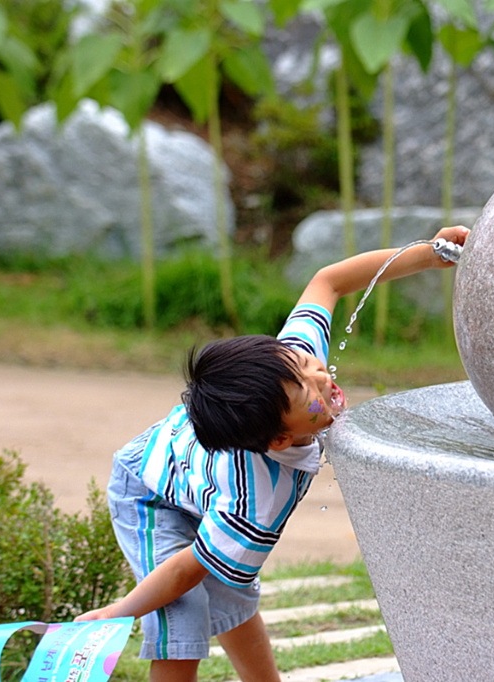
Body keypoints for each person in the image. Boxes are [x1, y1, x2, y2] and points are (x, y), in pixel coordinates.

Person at [76, 225, 470, 682]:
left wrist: (428, 255)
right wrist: (120, 611)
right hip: (150, 493)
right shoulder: (255, 501)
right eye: (308, 390)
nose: (321, 378)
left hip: (198, 476)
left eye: (309, 367)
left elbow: (329, 281)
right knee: (180, 615)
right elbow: (186, 570)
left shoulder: (291, 362)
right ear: (279, 440)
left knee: (235, 592)